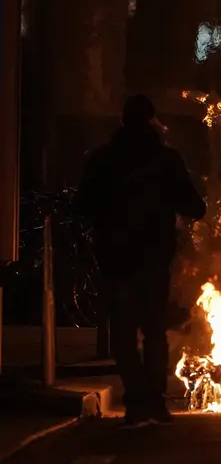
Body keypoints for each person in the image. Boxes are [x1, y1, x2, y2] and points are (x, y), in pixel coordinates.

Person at [76, 95, 207, 427]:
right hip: (153, 258)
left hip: (116, 258)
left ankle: (136, 402)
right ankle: (155, 402)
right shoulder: (166, 160)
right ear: (151, 120)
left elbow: (81, 205)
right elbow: (195, 206)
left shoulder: (103, 160)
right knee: (153, 332)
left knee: (123, 332)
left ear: (123, 120)